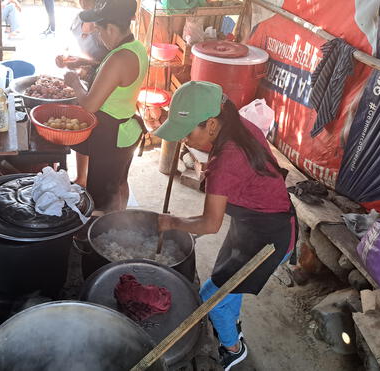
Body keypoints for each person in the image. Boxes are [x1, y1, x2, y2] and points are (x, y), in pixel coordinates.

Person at [154, 81, 297, 371]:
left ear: (211, 124)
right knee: (228, 282)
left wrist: (172, 223)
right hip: (255, 224)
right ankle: (232, 324)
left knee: (212, 297)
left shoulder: (226, 161)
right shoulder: (239, 126)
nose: (184, 141)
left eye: (188, 132)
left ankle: (233, 349)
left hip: (269, 239)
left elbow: (209, 224)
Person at [63, 0, 148, 212]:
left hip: (110, 136)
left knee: (101, 196)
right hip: (126, 129)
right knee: (119, 183)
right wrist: (87, 65)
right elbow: (114, 76)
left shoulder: (119, 58)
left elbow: (91, 104)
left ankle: (100, 232)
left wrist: (74, 83)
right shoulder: (135, 48)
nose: (98, 36)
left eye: (99, 30)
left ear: (110, 28)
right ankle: (120, 221)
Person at [55, 0, 109, 187]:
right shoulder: (78, 20)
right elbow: (74, 49)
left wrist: (83, 66)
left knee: (95, 131)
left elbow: (107, 63)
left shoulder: (105, 24)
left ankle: (93, 181)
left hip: (103, 84)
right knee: (81, 130)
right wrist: (69, 60)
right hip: (84, 80)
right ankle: (82, 177)